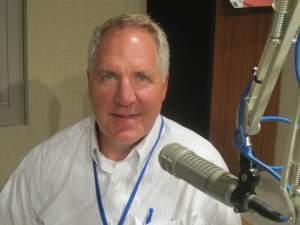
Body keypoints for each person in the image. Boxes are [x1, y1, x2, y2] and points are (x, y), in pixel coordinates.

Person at [0, 14, 241, 225]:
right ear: (90, 82)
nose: (125, 98)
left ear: (164, 86)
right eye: (109, 76)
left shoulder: (204, 167)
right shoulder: (42, 166)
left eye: (141, 77)